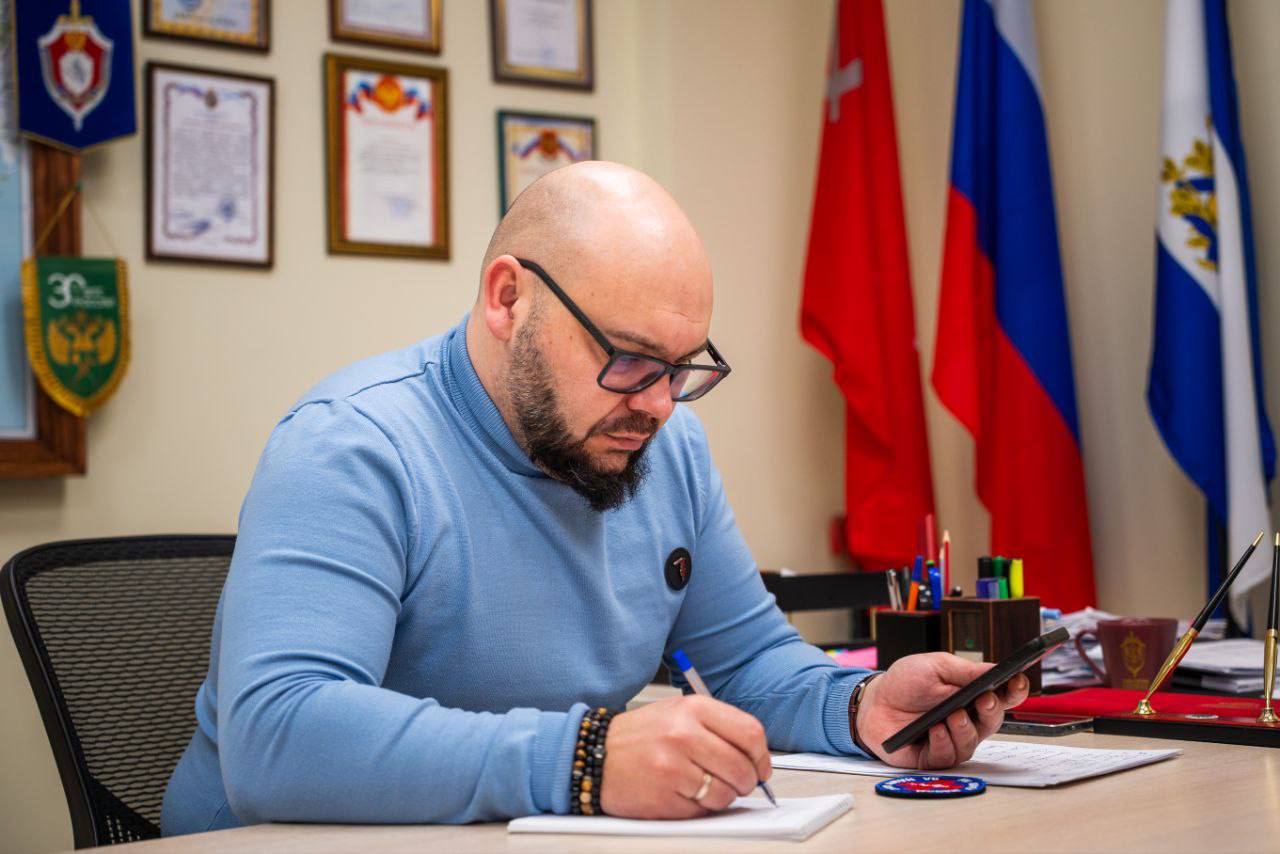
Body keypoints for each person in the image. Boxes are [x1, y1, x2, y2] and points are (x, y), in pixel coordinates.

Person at [162, 161, 1027, 834]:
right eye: (629, 359)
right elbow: (280, 737)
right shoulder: (352, 447)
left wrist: (863, 706)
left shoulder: (665, 444)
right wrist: (585, 759)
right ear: (509, 299)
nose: (658, 404)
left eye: (682, 368)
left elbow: (749, 664)